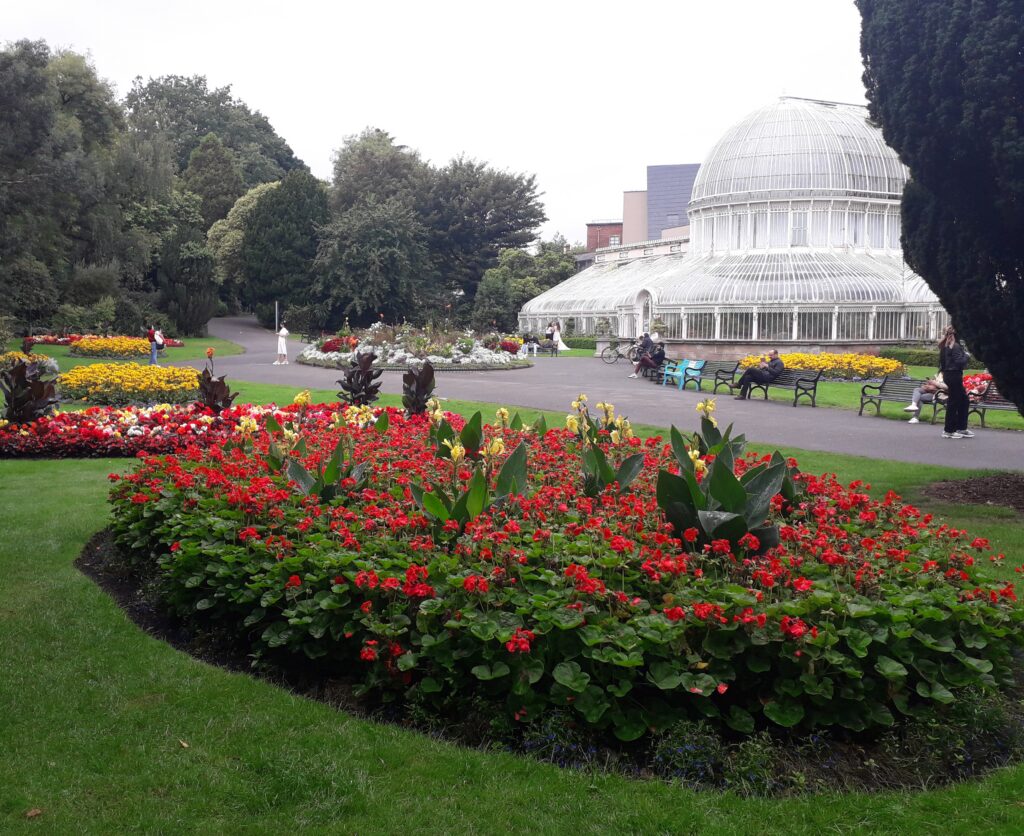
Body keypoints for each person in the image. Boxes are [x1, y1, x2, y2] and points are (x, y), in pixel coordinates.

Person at [939, 324, 972, 439]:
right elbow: (959, 362)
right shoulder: (955, 346)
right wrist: (967, 356)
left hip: (948, 375)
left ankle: (961, 427)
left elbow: (943, 363)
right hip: (954, 375)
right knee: (954, 402)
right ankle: (949, 430)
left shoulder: (944, 346)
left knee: (963, 400)